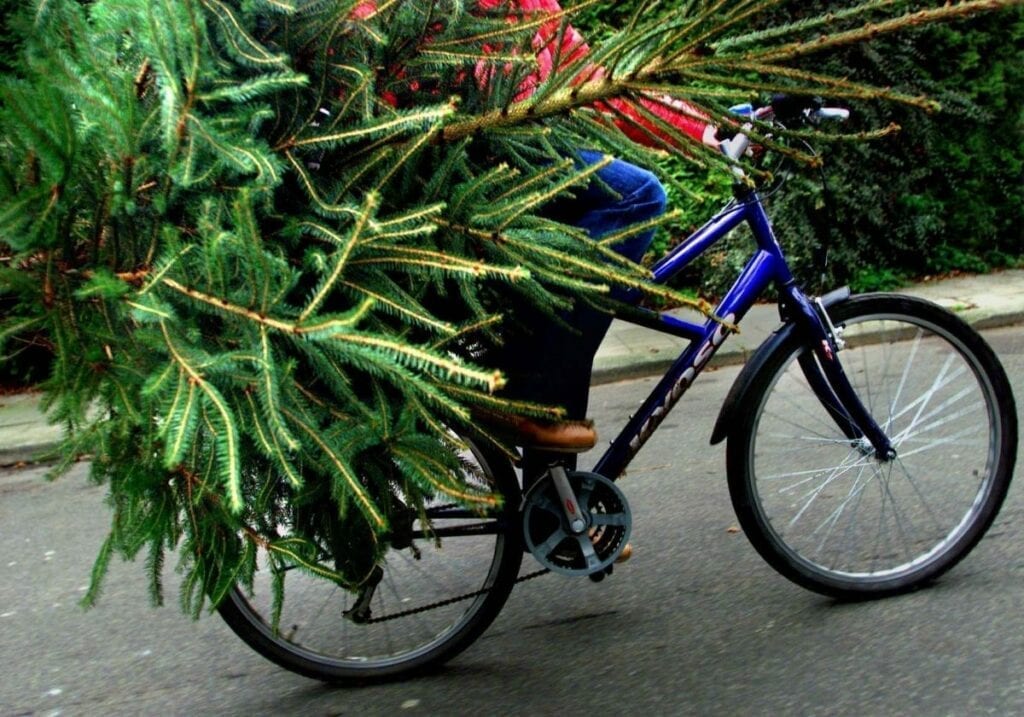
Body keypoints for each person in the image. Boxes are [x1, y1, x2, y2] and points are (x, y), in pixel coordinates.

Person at [351, 0, 720, 473]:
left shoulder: (535, 4)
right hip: (462, 166)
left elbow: (593, 82)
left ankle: (552, 501)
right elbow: (370, 48)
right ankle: (526, 394)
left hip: (521, 162)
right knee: (636, 197)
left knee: (577, 296)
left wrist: (703, 129)